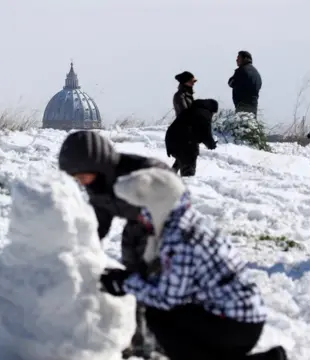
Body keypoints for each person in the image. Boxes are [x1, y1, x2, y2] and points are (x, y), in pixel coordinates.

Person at [99, 168, 287, 360]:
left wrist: (124, 282)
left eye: (140, 210)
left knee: (159, 315)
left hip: (235, 324)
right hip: (243, 317)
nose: (137, 217)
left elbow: (167, 299)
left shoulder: (178, 237)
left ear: (155, 206)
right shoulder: (187, 220)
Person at [58, 130, 170, 359]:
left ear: (96, 165)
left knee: (155, 284)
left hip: (164, 231)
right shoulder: (97, 185)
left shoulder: (142, 172)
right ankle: (137, 338)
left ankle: (163, 340)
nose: (79, 182)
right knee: (133, 280)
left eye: (80, 176)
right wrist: (85, 248)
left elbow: (173, 199)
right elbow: (99, 221)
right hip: (135, 229)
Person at [165, 99, 218, 177]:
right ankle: (188, 183)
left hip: (171, 140)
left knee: (182, 158)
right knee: (188, 165)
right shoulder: (204, 114)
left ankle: (169, 179)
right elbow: (205, 133)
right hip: (184, 142)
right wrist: (211, 145)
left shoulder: (191, 111)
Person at [228, 50, 262, 116]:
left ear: (245, 59)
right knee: (251, 124)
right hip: (253, 106)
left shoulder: (241, 71)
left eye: (238, 58)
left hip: (242, 106)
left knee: (241, 124)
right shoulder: (256, 73)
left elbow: (231, 83)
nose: (236, 60)